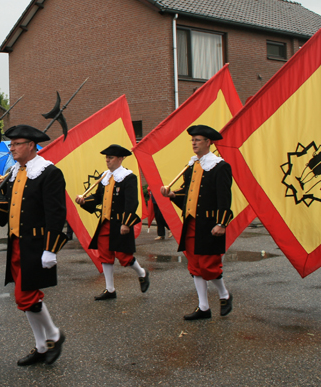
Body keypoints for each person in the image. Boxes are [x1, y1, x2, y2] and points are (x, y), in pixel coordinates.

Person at [0, 125, 67, 366]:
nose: (12, 148)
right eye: (11, 144)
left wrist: (51, 249)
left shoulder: (49, 173)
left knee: (25, 296)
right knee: (28, 297)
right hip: (17, 243)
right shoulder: (14, 172)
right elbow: (12, 209)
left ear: (31, 145)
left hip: (37, 245)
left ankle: (53, 335)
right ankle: (42, 346)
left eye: (16, 144)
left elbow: (56, 214)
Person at [160, 125, 233, 320]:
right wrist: (172, 194)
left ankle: (224, 295)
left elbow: (224, 198)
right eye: (192, 140)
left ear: (208, 142)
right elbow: (188, 194)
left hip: (210, 224)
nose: (193, 143)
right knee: (194, 265)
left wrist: (221, 223)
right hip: (191, 223)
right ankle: (203, 307)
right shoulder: (191, 166)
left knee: (209, 265)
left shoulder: (220, 166)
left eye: (198, 140)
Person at [75, 144, 149, 300]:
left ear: (120, 159)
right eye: (106, 158)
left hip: (120, 223)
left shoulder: (129, 177)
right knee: (105, 255)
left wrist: (126, 223)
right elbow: (97, 199)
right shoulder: (104, 177)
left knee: (124, 257)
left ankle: (142, 273)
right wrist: (84, 201)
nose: (107, 160)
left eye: (111, 157)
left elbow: (131, 202)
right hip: (105, 223)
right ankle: (110, 289)